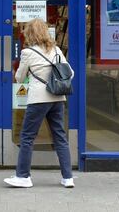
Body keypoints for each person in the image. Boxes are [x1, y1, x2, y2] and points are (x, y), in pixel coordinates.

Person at [4, 18, 74, 188]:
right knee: (60, 136)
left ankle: (23, 176)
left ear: (30, 34)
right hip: (57, 98)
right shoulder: (57, 50)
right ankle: (68, 177)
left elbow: (19, 77)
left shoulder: (28, 53)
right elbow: (70, 73)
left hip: (38, 99)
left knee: (27, 137)